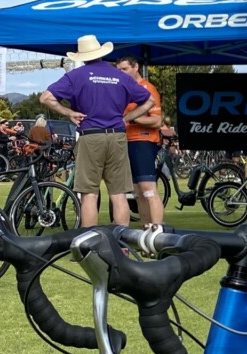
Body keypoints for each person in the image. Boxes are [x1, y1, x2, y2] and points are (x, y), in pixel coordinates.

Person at [40, 34, 154, 227]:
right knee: (118, 194)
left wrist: (68, 112)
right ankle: (122, 245)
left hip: (91, 135)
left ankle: (89, 243)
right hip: (117, 136)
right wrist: (126, 118)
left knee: (89, 195)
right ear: (101, 53)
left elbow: (45, 98)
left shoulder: (76, 76)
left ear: (82, 56)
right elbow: (149, 100)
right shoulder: (120, 76)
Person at [115, 50, 164, 225]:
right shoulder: (124, 90)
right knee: (137, 192)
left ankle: (157, 231)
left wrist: (132, 118)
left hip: (143, 141)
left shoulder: (147, 88)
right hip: (126, 142)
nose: (121, 73)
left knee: (148, 189)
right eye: (118, 70)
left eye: (124, 69)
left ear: (136, 67)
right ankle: (146, 230)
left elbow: (157, 121)